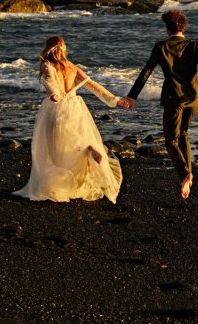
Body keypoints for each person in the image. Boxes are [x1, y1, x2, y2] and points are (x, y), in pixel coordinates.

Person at [124, 10, 198, 199]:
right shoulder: (194, 46)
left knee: (170, 140)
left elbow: (146, 72)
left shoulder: (161, 47)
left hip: (174, 99)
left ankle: (185, 174)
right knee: (183, 134)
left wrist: (132, 96)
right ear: (184, 27)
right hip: (193, 99)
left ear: (167, 29)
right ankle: (187, 177)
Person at [14, 36, 130, 204]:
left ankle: (58, 185)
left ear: (49, 48)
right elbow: (93, 85)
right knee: (76, 142)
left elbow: (49, 81)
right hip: (76, 108)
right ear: (63, 48)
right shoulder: (72, 67)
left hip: (57, 109)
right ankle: (88, 151)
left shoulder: (47, 64)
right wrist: (115, 99)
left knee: (55, 149)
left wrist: (54, 93)